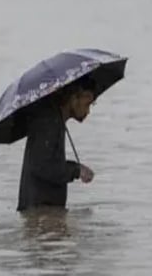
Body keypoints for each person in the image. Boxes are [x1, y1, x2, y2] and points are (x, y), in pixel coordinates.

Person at [16, 79, 96, 213]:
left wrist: (76, 168)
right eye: (87, 103)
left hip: (44, 210)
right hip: (40, 211)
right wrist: (76, 170)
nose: (88, 111)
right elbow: (42, 166)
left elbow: (48, 163)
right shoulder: (49, 122)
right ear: (73, 98)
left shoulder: (54, 119)